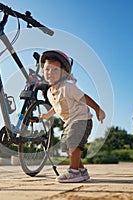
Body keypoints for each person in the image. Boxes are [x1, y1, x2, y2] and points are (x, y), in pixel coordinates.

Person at [38, 50, 106, 183]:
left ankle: (73, 171)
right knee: (69, 148)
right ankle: (82, 171)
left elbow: (84, 98)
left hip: (81, 119)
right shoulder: (50, 93)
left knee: (73, 143)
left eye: (55, 70)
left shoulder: (68, 87)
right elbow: (56, 108)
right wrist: (47, 115)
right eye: (47, 69)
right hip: (69, 122)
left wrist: (98, 109)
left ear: (64, 73)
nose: (50, 73)